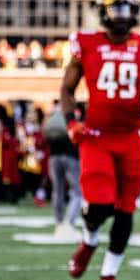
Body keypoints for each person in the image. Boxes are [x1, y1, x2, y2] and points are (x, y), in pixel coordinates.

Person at [62, 0, 140, 280]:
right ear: (104, 12)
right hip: (96, 138)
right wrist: (72, 122)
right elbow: (67, 90)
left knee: (126, 210)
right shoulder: (85, 43)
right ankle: (88, 238)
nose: (121, 16)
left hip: (130, 139)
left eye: (126, 9)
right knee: (99, 203)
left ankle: (108, 275)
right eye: (115, 9)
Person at [43, 102, 82, 241]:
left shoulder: (54, 114)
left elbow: (45, 134)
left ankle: (59, 223)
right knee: (78, 191)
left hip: (54, 156)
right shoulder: (75, 114)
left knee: (57, 190)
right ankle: (68, 224)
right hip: (71, 156)